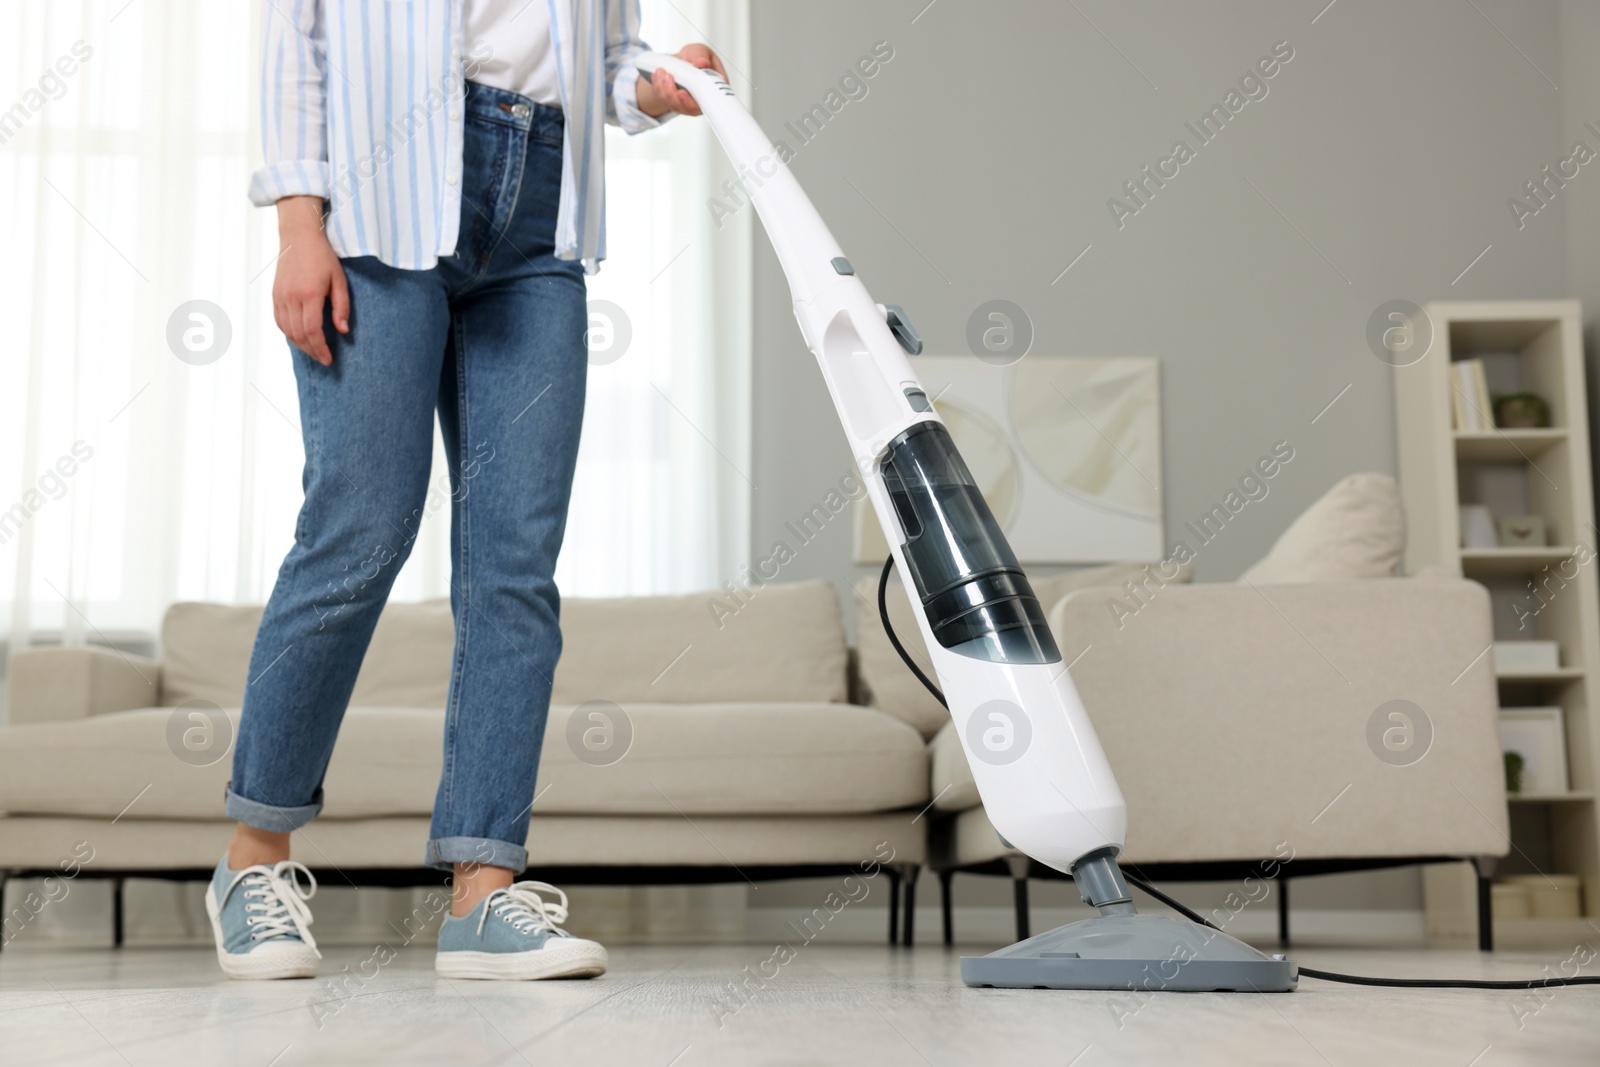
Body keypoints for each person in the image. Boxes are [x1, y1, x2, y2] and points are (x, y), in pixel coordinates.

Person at [207, 0, 724, 982]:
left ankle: (483, 891)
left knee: (513, 564)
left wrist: (652, 85)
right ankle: (252, 862)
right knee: (357, 535)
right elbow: (297, 47)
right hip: (373, 205)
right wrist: (297, 226)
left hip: (539, 223)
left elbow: (602, 59)